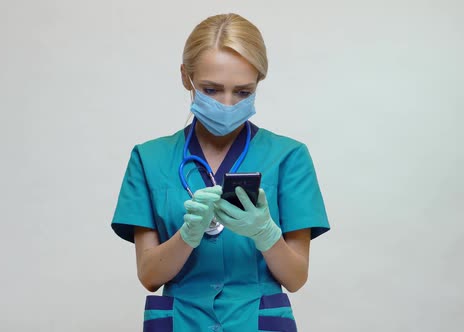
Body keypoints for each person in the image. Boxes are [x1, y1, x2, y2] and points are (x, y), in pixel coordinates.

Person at [111, 13, 330, 331]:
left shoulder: (289, 157)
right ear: (186, 77)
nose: (227, 104)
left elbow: (295, 278)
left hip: (256, 321)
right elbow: (149, 276)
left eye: (242, 92)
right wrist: (187, 235)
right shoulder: (149, 158)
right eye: (211, 90)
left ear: (258, 83)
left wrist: (265, 234)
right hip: (181, 321)